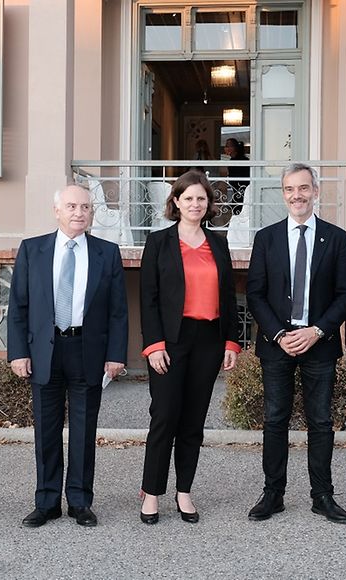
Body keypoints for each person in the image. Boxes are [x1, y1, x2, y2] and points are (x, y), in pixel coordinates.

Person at [8, 184, 128, 528]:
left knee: (83, 430)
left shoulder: (107, 252)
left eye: (86, 207)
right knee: (45, 431)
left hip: (86, 349)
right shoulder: (33, 250)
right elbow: (19, 306)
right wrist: (18, 353)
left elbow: (118, 312)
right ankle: (46, 502)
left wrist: (115, 355)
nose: (80, 212)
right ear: (57, 210)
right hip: (44, 350)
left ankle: (79, 501)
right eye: (72, 206)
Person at [245, 162, 346, 523]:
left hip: (318, 343)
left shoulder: (337, 238)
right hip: (277, 343)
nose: (298, 195)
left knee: (320, 421)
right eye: (291, 189)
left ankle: (322, 495)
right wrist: (279, 334)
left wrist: (317, 331)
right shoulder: (267, 238)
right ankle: (272, 494)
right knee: (275, 419)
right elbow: (255, 294)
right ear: (283, 194)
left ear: (316, 191)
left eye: (304, 188)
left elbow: (345, 295)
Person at [138, 170, 241, 525]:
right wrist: (153, 345)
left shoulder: (219, 244)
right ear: (176, 202)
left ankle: (184, 492)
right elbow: (148, 298)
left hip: (209, 341)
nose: (195, 204)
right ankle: (151, 493)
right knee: (164, 417)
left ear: (209, 204)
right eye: (188, 198)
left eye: (201, 198)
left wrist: (231, 340)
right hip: (170, 341)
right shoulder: (158, 242)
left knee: (194, 422)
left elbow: (229, 297)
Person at [223, 138, 249, 215]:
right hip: (236, 190)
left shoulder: (242, 160)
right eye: (226, 146)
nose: (226, 148)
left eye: (228, 146)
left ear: (235, 148)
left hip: (242, 189)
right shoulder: (233, 160)